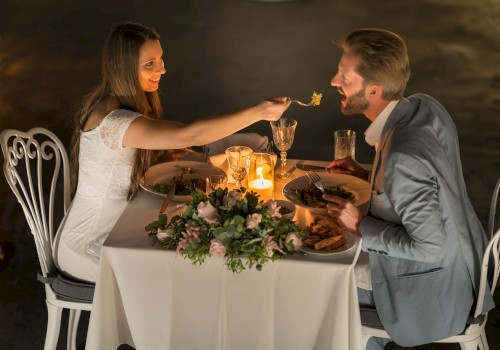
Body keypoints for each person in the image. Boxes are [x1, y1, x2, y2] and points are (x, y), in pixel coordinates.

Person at [52, 21, 290, 283]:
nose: (162, 69)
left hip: (117, 228)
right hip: (87, 247)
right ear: (125, 68)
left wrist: (159, 160)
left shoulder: (116, 102)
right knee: (182, 270)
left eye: (160, 59)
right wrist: (259, 112)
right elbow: (192, 134)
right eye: (149, 64)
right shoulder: (114, 120)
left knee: (190, 251)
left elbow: (113, 167)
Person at [323, 28, 495, 349]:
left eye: (345, 78)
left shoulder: (402, 157)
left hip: (438, 285)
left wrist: (360, 225)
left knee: (323, 281)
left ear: (374, 91)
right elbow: (424, 183)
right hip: (465, 261)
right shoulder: (423, 108)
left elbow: (429, 247)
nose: (334, 81)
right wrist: (366, 174)